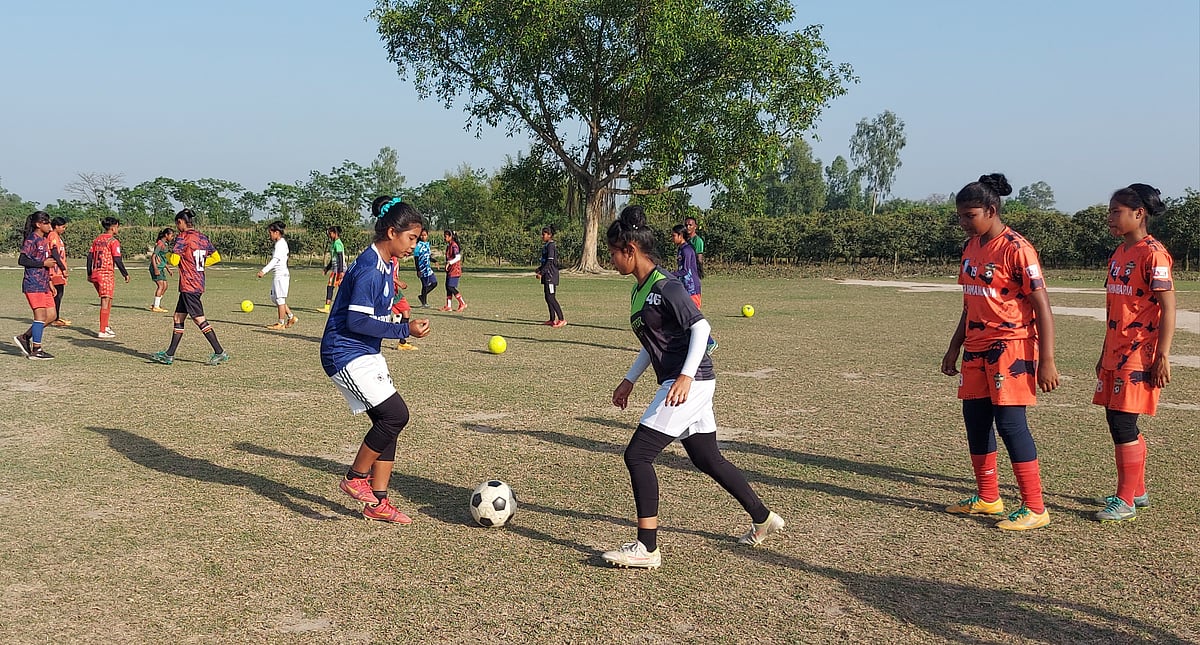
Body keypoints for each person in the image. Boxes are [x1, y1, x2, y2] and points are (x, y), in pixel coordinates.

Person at [602, 205, 784, 569]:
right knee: (706, 457)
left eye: (613, 253)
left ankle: (647, 548)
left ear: (630, 250)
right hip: (686, 380)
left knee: (637, 455)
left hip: (690, 381)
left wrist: (685, 376)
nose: (611, 260)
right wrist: (629, 379)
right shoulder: (640, 290)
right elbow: (653, 342)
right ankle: (763, 517)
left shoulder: (667, 286)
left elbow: (701, 328)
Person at [940, 173, 1058, 531]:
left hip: (1011, 346)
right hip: (975, 347)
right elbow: (970, 303)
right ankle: (989, 497)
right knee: (975, 420)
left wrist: (1047, 360)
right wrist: (954, 346)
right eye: (959, 216)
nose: (963, 223)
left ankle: (1035, 507)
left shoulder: (1017, 248)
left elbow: (1042, 306)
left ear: (991, 211)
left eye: (969, 215)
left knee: (1010, 424)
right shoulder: (971, 247)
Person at [324, 195, 431, 523]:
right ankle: (355, 478)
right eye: (411, 238)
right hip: (344, 352)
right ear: (391, 233)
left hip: (365, 352)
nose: (414, 245)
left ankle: (379, 501)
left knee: (388, 424)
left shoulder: (385, 263)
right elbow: (356, 321)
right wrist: (404, 330)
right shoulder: (371, 268)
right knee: (395, 416)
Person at [1092, 183, 1176, 522]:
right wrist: (1103, 352)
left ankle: (1125, 500)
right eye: (1110, 211)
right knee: (1116, 417)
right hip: (1115, 351)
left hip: (1140, 353)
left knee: (1122, 421)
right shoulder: (1119, 254)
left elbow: (1168, 307)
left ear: (1138, 213)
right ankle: (1136, 491)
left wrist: (1163, 356)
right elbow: (1116, 307)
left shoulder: (1153, 253)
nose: (1110, 218)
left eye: (1116, 212)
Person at [150, 209, 229, 366]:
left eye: (177, 223)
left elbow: (174, 260)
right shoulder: (202, 237)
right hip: (198, 282)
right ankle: (169, 354)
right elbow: (216, 257)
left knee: (199, 319)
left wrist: (164, 256)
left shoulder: (183, 237)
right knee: (178, 318)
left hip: (189, 284)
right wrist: (198, 265)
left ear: (180, 222)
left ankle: (219, 352)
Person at [13, 211, 59, 360]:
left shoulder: (44, 240)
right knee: (40, 316)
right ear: (38, 224)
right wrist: (42, 263)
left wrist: (50, 281)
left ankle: (25, 337)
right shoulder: (31, 239)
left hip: (44, 283)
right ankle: (36, 350)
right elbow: (22, 260)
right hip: (33, 283)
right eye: (46, 223)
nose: (49, 226)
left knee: (52, 316)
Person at [671, 224, 717, 354]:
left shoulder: (686, 250)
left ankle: (710, 342)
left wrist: (669, 275)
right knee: (681, 316)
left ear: (680, 236)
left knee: (693, 317)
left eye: (673, 235)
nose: (672, 238)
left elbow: (685, 271)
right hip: (684, 288)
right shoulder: (681, 249)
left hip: (692, 289)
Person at [87, 217, 130, 339]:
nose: (118, 229)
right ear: (113, 227)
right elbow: (117, 258)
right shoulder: (113, 241)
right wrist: (125, 273)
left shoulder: (97, 240)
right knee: (105, 301)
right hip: (105, 273)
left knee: (108, 299)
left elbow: (89, 257)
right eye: (117, 226)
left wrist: (89, 273)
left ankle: (105, 326)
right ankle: (102, 330)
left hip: (95, 273)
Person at [257, 220, 298, 330]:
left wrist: (264, 271)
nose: (269, 235)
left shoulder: (281, 244)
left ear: (276, 232)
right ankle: (291, 317)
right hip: (278, 275)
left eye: (270, 232)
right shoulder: (279, 243)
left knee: (280, 299)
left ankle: (281, 323)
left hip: (281, 275)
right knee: (274, 298)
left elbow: (275, 260)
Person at [536, 225, 565, 327]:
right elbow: (545, 262)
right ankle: (552, 319)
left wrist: (541, 272)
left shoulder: (551, 245)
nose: (542, 236)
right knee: (547, 297)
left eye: (544, 234)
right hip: (546, 275)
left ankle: (561, 319)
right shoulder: (546, 245)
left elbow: (550, 261)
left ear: (549, 235)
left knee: (551, 297)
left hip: (551, 276)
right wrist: (540, 268)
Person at [47, 217, 71, 327]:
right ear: (56, 226)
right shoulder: (53, 236)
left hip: (58, 271)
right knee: (57, 294)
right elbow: (55, 253)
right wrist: (63, 268)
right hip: (55, 271)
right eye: (63, 227)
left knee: (59, 294)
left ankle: (55, 317)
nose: (64, 229)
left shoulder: (57, 237)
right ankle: (54, 318)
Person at [391, 261, 417, 350]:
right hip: (391, 291)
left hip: (394, 290)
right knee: (405, 312)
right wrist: (398, 282)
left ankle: (402, 341)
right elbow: (385, 274)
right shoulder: (391, 259)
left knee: (405, 313)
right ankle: (402, 343)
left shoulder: (394, 258)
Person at [321, 226, 346, 314]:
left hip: (338, 269)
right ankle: (329, 307)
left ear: (335, 233)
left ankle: (328, 308)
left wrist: (341, 271)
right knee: (334, 287)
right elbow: (333, 259)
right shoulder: (333, 244)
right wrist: (327, 268)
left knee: (332, 287)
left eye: (330, 233)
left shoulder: (337, 243)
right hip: (336, 269)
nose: (329, 235)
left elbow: (340, 257)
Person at [149, 228, 175, 312]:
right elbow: (153, 256)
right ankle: (156, 306)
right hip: (156, 268)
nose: (172, 237)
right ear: (166, 235)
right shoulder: (160, 244)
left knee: (165, 286)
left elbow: (163, 258)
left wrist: (168, 269)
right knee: (161, 286)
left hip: (161, 268)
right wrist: (156, 268)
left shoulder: (165, 244)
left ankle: (156, 304)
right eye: (171, 235)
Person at [440, 229, 466, 312]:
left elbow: (458, 257)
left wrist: (449, 263)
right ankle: (448, 306)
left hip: (455, 269)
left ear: (450, 237)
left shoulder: (454, 245)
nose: (444, 238)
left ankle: (462, 303)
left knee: (451, 287)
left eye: (446, 236)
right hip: (450, 270)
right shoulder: (449, 245)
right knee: (447, 287)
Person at [413, 228, 438, 307]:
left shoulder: (427, 244)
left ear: (427, 235)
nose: (423, 237)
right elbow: (416, 258)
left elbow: (428, 257)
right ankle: (424, 303)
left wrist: (435, 261)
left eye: (425, 235)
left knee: (434, 283)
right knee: (425, 285)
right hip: (422, 268)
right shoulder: (418, 246)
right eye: (422, 235)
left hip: (428, 268)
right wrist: (418, 270)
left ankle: (422, 296)